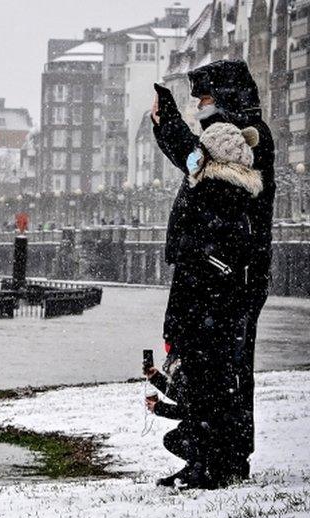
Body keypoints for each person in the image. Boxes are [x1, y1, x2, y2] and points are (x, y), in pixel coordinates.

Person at [151, 60, 275, 483]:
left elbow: (198, 166)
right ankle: (208, 455)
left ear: (222, 97)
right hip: (216, 274)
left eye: (203, 98)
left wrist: (168, 123)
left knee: (221, 370)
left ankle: (220, 459)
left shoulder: (237, 140)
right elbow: (195, 162)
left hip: (224, 277)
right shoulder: (226, 138)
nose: (199, 107)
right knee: (206, 365)